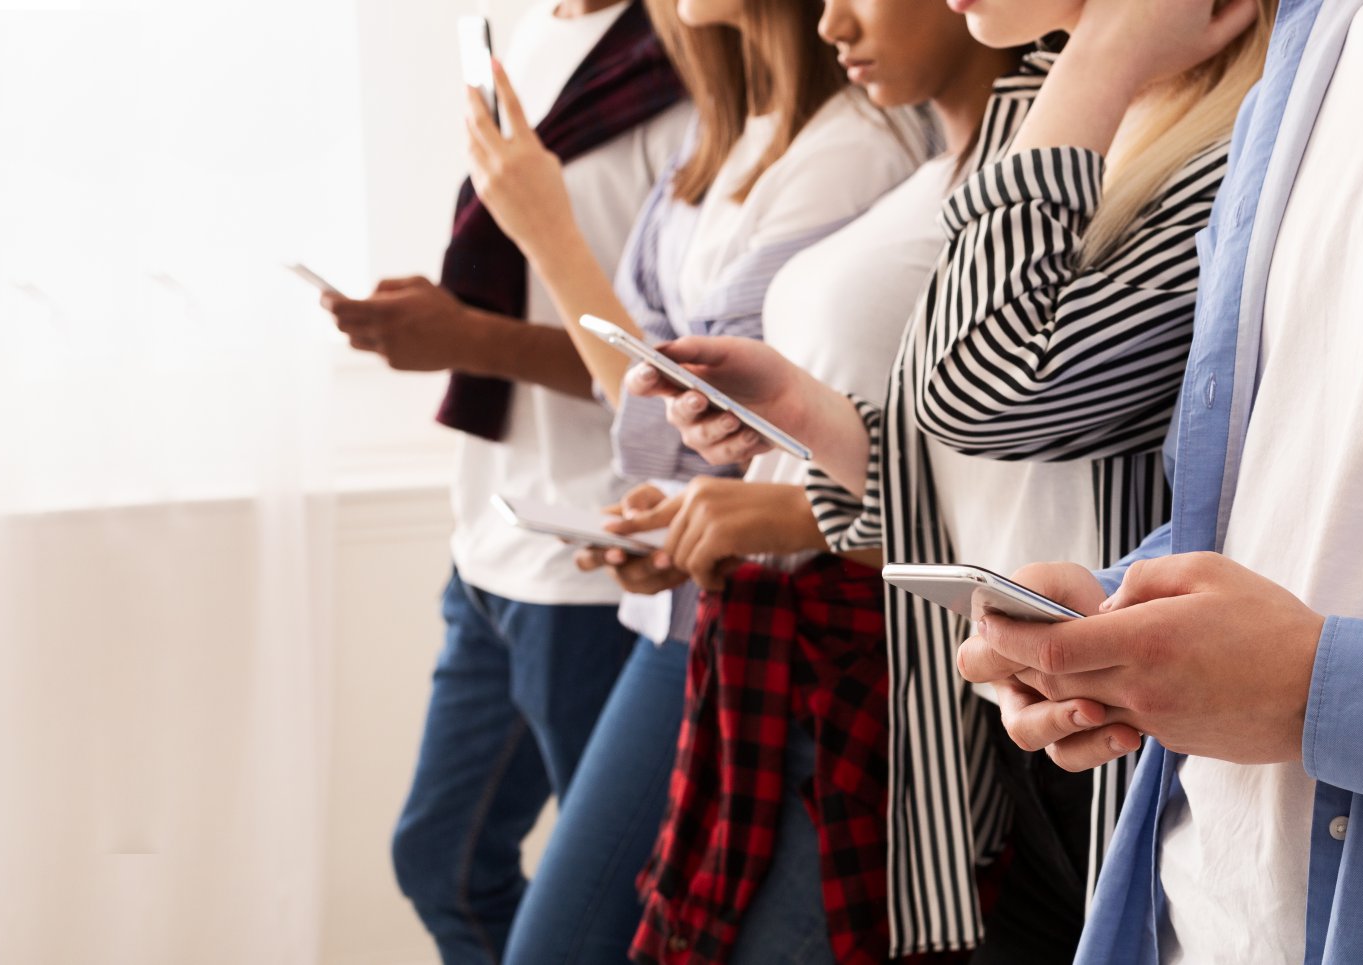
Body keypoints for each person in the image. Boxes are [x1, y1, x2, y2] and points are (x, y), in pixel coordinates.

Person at [957, 0, 1363, 963]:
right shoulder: (1318, 38)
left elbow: (991, 383)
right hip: (1184, 915)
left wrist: (1322, 690)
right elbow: (1282, 504)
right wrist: (1122, 617)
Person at [635, 0, 1271, 958]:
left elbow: (989, 387)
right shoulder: (1068, 112)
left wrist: (1095, 57)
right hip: (1015, 732)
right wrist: (812, 418)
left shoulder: (1226, 139)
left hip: (1130, 753)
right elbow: (983, 456)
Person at [462, 0, 928, 959]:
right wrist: (674, 508)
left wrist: (548, 232)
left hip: (777, 621)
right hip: (697, 612)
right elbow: (659, 418)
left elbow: (678, 425)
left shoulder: (854, 151)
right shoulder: (721, 143)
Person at [560, 2, 1018, 961]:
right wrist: (719, 509)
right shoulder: (928, 175)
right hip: (785, 633)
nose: (831, 20)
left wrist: (778, 510)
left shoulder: (943, 174)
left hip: (874, 663)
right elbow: (863, 442)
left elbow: (1021, 492)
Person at [327, 4, 692, 962]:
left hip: (599, 558)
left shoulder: (683, 55)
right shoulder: (521, 34)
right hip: (491, 538)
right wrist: (447, 319)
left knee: (609, 921)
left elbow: (672, 371)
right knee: (439, 858)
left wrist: (469, 340)